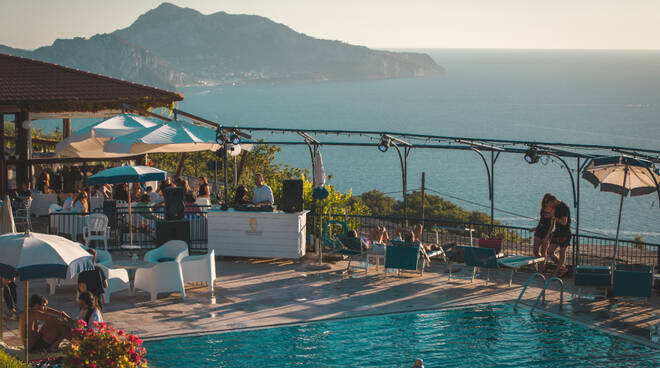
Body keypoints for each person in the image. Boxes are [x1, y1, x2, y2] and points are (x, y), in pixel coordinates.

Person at [546, 201, 571, 277]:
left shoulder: (564, 207)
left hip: (565, 233)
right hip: (557, 233)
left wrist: (554, 217)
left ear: (553, 201)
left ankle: (555, 273)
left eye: (550, 205)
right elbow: (552, 223)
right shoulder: (555, 209)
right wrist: (548, 234)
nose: (550, 207)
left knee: (562, 253)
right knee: (550, 251)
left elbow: (564, 222)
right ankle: (562, 268)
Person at [532, 194, 558, 259]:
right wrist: (536, 228)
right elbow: (541, 221)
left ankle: (542, 266)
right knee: (535, 250)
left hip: (546, 231)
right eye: (545, 202)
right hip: (539, 230)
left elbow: (552, 225)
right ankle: (538, 262)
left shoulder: (553, 210)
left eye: (547, 202)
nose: (546, 203)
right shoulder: (543, 209)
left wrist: (547, 236)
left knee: (543, 251)